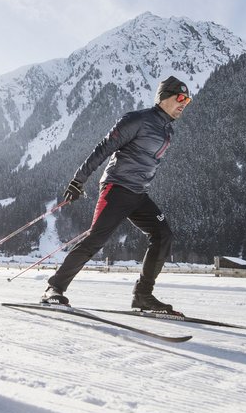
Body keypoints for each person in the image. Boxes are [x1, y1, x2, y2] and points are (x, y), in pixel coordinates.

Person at [42, 76, 191, 312]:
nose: (184, 103)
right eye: (180, 98)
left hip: (139, 195)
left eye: (188, 100)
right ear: (164, 98)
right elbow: (103, 148)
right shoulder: (137, 119)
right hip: (117, 189)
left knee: (163, 235)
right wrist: (78, 180)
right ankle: (54, 288)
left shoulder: (167, 131)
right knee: (96, 240)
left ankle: (142, 295)